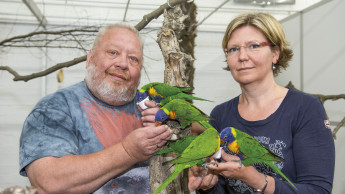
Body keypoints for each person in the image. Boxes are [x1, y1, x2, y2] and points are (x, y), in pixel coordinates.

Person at [188, 13, 335, 194]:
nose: (242, 56)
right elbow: (222, 188)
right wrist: (207, 185)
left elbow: (318, 190)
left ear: (275, 53)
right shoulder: (220, 115)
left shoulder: (305, 109)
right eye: (233, 49)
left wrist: (255, 179)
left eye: (254, 46)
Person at [19, 23, 172, 193]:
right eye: (113, 52)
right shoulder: (54, 109)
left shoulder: (155, 107)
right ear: (90, 58)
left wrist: (195, 172)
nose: (123, 63)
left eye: (133, 59)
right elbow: (48, 182)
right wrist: (128, 152)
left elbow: (199, 133)